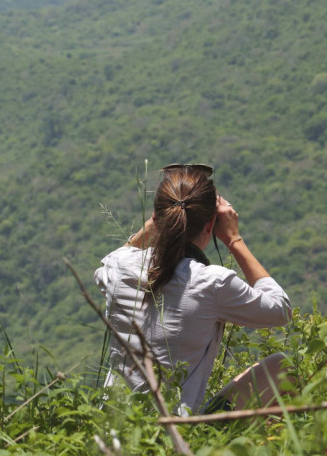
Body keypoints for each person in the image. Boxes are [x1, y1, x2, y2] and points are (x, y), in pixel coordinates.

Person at [94, 164, 292, 414]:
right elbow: (280, 309)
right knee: (283, 367)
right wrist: (233, 239)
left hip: (116, 428)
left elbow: (117, 256)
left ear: (155, 219)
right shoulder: (212, 283)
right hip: (178, 433)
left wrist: (157, 222)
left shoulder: (118, 268)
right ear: (211, 225)